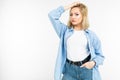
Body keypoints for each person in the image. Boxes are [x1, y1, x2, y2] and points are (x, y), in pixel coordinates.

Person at [48, 1, 105, 80]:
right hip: (69, 71)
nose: (73, 17)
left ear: (83, 16)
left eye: (76, 14)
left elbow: (100, 56)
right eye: (71, 14)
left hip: (86, 71)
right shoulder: (64, 31)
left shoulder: (91, 35)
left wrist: (93, 63)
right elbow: (52, 15)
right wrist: (69, 6)